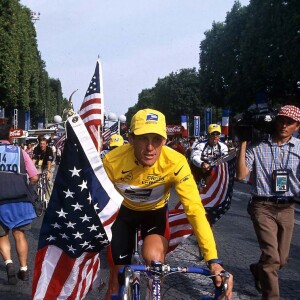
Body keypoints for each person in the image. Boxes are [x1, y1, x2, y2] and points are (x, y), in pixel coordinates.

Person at [103, 108, 233, 299]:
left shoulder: (175, 161)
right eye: (143, 138)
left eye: (156, 139)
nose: (150, 148)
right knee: (116, 281)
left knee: (156, 263)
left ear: (164, 140)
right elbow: (98, 204)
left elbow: (195, 210)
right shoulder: (112, 161)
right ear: (130, 139)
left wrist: (213, 259)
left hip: (154, 215)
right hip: (124, 215)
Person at [236, 105, 300, 299]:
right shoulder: (258, 145)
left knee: (282, 259)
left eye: (289, 122)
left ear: (297, 126)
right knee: (272, 257)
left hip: (288, 207)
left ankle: (259, 269)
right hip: (262, 206)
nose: (284, 125)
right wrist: (243, 143)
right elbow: (241, 175)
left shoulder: (299, 148)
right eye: (281, 120)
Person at [0, 124, 38, 284]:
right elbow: (34, 176)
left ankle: (9, 263)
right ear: (10, 137)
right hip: (19, 198)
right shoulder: (20, 151)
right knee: (19, 233)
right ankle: (23, 268)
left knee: (2, 234)